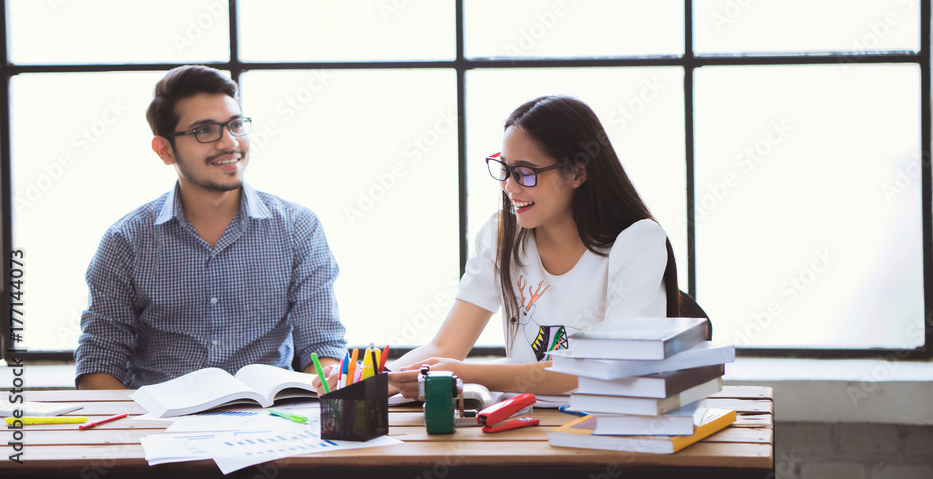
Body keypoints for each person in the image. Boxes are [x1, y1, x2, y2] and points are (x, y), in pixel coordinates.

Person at [317, 95, 678, 398]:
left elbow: (604, 366)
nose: (509, 186)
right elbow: (444, 348)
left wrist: (469, 374)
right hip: (519, 421)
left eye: (525, 172)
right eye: (504, 169)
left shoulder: (638, 242)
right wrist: (378, 382)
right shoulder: (502, 235)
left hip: (604, 428)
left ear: (577, 173)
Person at [75, 65, 346, 389]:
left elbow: (322, 347)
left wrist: (322, 383)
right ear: (165, 149)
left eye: (235, 125)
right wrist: (134, 431)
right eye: (205, 130)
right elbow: (99, 364)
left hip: (273, 423)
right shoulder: (126, 241)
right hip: (158, 426)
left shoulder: (298, 228)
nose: (229, 143)